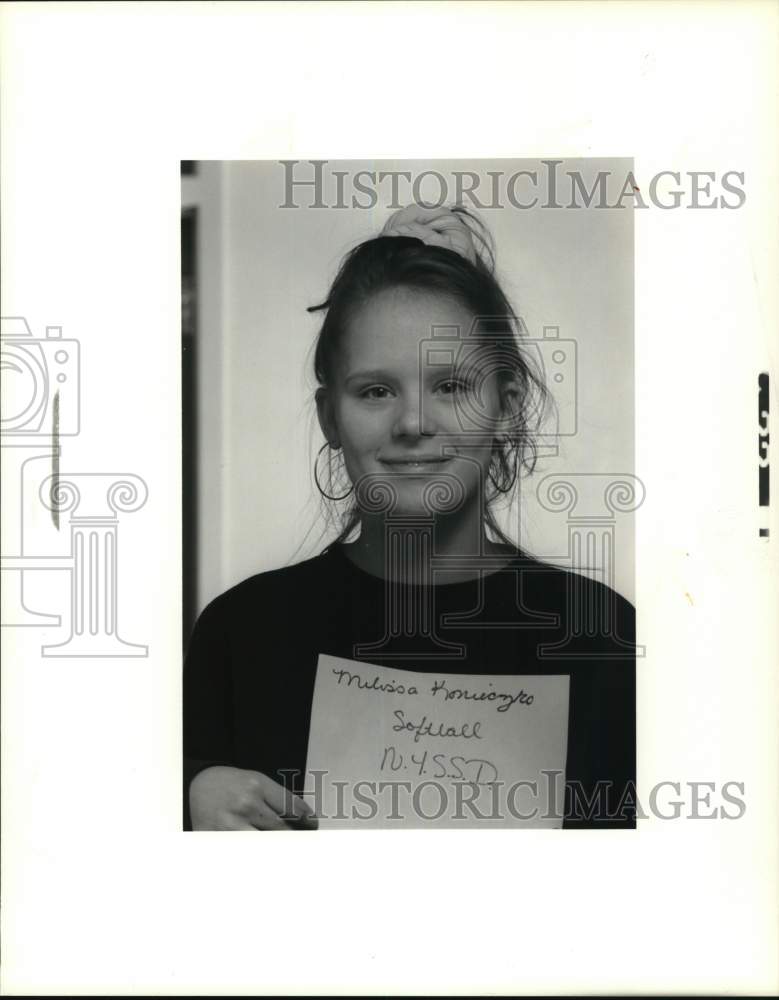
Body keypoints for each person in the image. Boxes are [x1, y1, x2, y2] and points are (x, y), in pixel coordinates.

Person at [183, 204, 636, 831]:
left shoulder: (602, 637)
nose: (414, 423)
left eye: (451, 386)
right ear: (330, 417)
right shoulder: (241, 633)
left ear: (506, 406)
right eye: (376, 391)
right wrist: (185, 805)